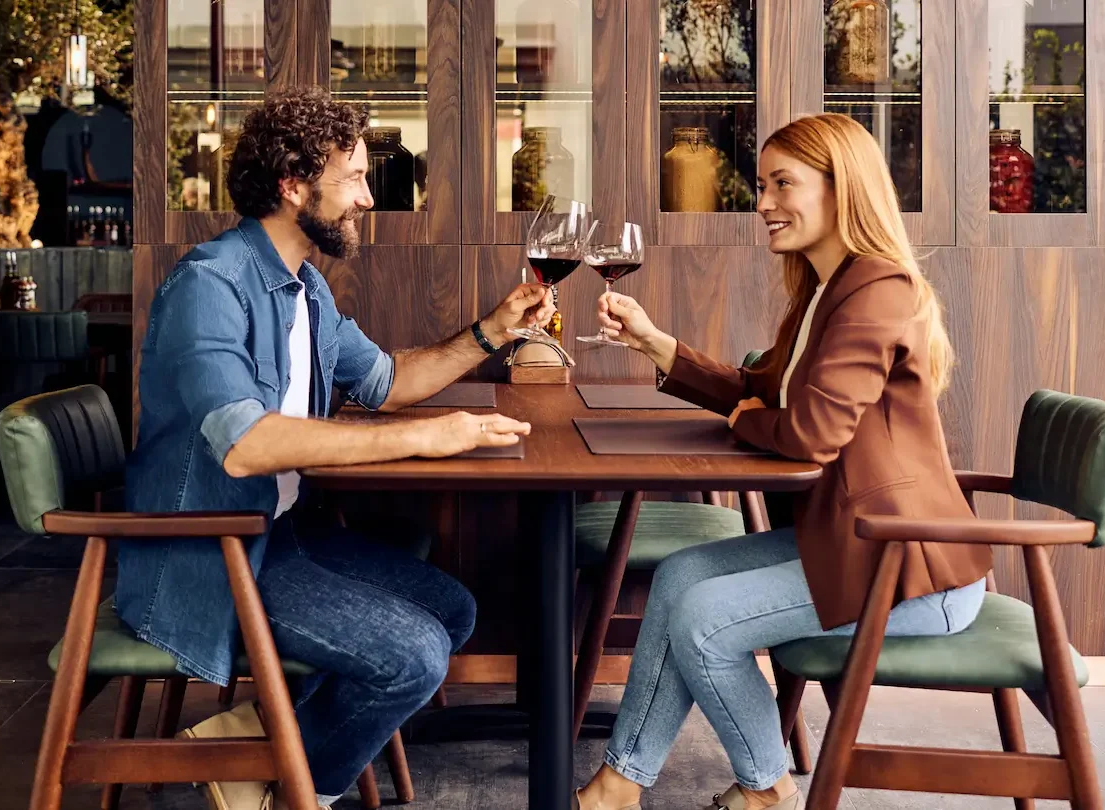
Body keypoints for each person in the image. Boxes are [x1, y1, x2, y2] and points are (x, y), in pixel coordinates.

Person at [119, 86, 553, 810]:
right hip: (207, 550)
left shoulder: (304, 289)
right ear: (294, 187)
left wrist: (493, 331)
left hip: (278, 534)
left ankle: (254, 747)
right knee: (411, 658)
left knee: (451, 612)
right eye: (353, 177)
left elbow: (386, 380)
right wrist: (429, 438)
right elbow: (246, 446)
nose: (367, 200)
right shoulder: (210, 285)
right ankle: (297, 792)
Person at [575, 113, 992, 810]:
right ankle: (621, 781)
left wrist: (751, 419)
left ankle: (765, 788)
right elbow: (760, 392)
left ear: (841, 189)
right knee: (681, 575)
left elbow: (811, 433)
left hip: (908, 569)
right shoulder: (827, 290)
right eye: (762, 185)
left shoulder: (878, 291)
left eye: (781, 184)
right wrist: (656, 345)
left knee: (705, 619)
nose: (762, 203)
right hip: (850, 544)